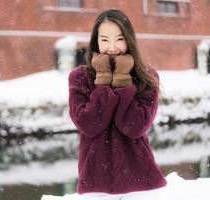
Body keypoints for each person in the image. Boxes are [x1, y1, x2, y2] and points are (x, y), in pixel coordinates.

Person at [67, 9, 167, 199]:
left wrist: (122, 80)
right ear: (96, 41)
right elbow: (88, 124)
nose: (112, 47)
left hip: (139, 182)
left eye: (119, 39)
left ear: (129, 39)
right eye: (104, 40)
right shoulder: (79, 77)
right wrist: (104, 81)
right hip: (95, 181)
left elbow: (135, 127)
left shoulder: (146, 77)